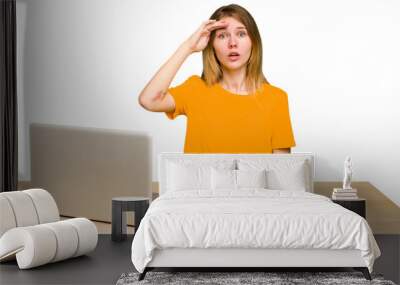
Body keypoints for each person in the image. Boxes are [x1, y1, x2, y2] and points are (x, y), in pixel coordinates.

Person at [138, 4, 296, 154]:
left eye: (241, 34)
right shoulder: (195, 89)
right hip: (200, 184)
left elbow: (281, 173)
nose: (232, 43)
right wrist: (188, 47)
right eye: (222, 36)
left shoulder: (276, 98)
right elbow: (149, 100)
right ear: (211, 44)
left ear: (253, 42)